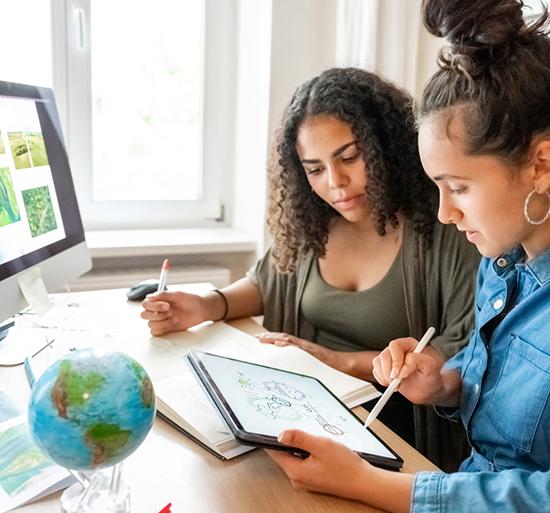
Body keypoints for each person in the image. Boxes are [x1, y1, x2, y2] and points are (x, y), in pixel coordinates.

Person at [267, 1, 550, 513]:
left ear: (541, 163)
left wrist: (371, 484)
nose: (445, 213)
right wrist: (442, 381)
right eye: (437, 188)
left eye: (460, 188)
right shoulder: (503, 264)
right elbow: (487, 376)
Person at [141, 67, 479, 470]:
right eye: (315, 169)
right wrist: (205, 305)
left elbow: (457, 358)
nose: (335, 182)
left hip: (394, 434)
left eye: (349, 157)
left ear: (385, 146)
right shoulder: (315, 223)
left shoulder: (445, 228)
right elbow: (269, 281)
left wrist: (327, 360)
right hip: (309, 411)